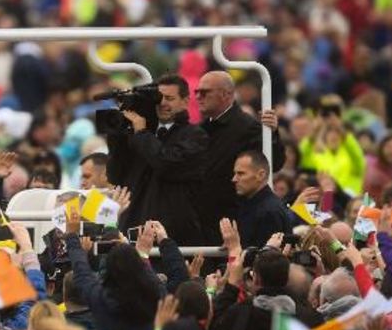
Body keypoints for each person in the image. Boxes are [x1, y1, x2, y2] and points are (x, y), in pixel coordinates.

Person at [107, 74, 208, 246]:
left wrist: (141, 134)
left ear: (185, 101)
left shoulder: (195, 135)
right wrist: (119, 134)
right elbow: (116, 175)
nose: (163, 103)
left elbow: (166, 163)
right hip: (133, 228)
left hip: (172, 236)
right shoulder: (140, 132)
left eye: (170, 98)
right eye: (159, 98)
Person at [195, 71, 284, 242]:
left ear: (225, 94)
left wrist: (273, 134)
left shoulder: (248, 128)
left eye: (204, 92)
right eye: (197, 92)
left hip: (232, 227)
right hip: (202, 226)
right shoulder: (200, 129)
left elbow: (274, 163)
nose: (198, 97)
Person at [231, 151, 294, 249]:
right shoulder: (252, 206)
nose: (234, 179)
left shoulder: (269, 212)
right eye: (235, 173)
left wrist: (234, 247)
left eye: (241, 173)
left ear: (261, 175)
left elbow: (266, 261)